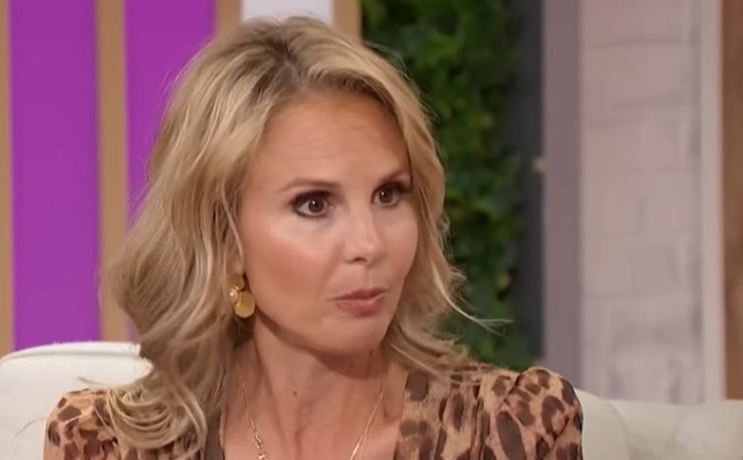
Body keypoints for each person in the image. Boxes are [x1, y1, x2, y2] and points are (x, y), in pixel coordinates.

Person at [42, 16, 582, 460]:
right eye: (314, 204)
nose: (369, 244)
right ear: (224, 239)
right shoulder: (105, 446)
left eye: (389, 194)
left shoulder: (509, 432)